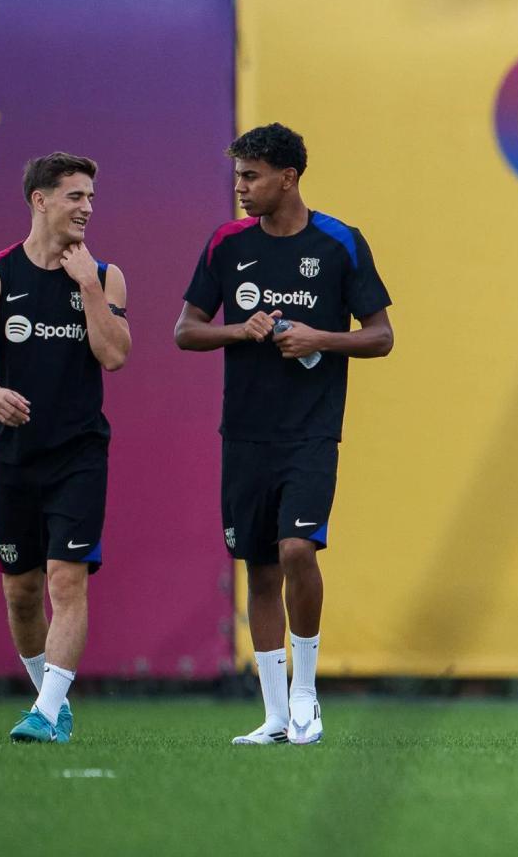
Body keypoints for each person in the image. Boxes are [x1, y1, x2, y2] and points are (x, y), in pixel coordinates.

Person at [174, 123, 394, 746]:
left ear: (288, 177)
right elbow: (185, 329)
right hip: (244, 431)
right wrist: (239, 330)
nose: (240, 188)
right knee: (260, 566)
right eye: (238, 176)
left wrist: (319, 338)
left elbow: (381, 336)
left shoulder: (340, 243)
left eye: (251, 176)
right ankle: (274, 715)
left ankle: (306, 691)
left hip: (311, 431)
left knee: (298, 549)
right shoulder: (227, 242)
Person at [0, 153, 130, 743]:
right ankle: (51, 702)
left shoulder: (104, 274)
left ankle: (45, 711)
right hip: (14, 455)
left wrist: (86, 287)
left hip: (79, 453)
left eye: (90, 198)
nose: (87, 208)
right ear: (40, 199)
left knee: (66, 578)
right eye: (74, 196)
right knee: (22, 591)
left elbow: (115, 354)